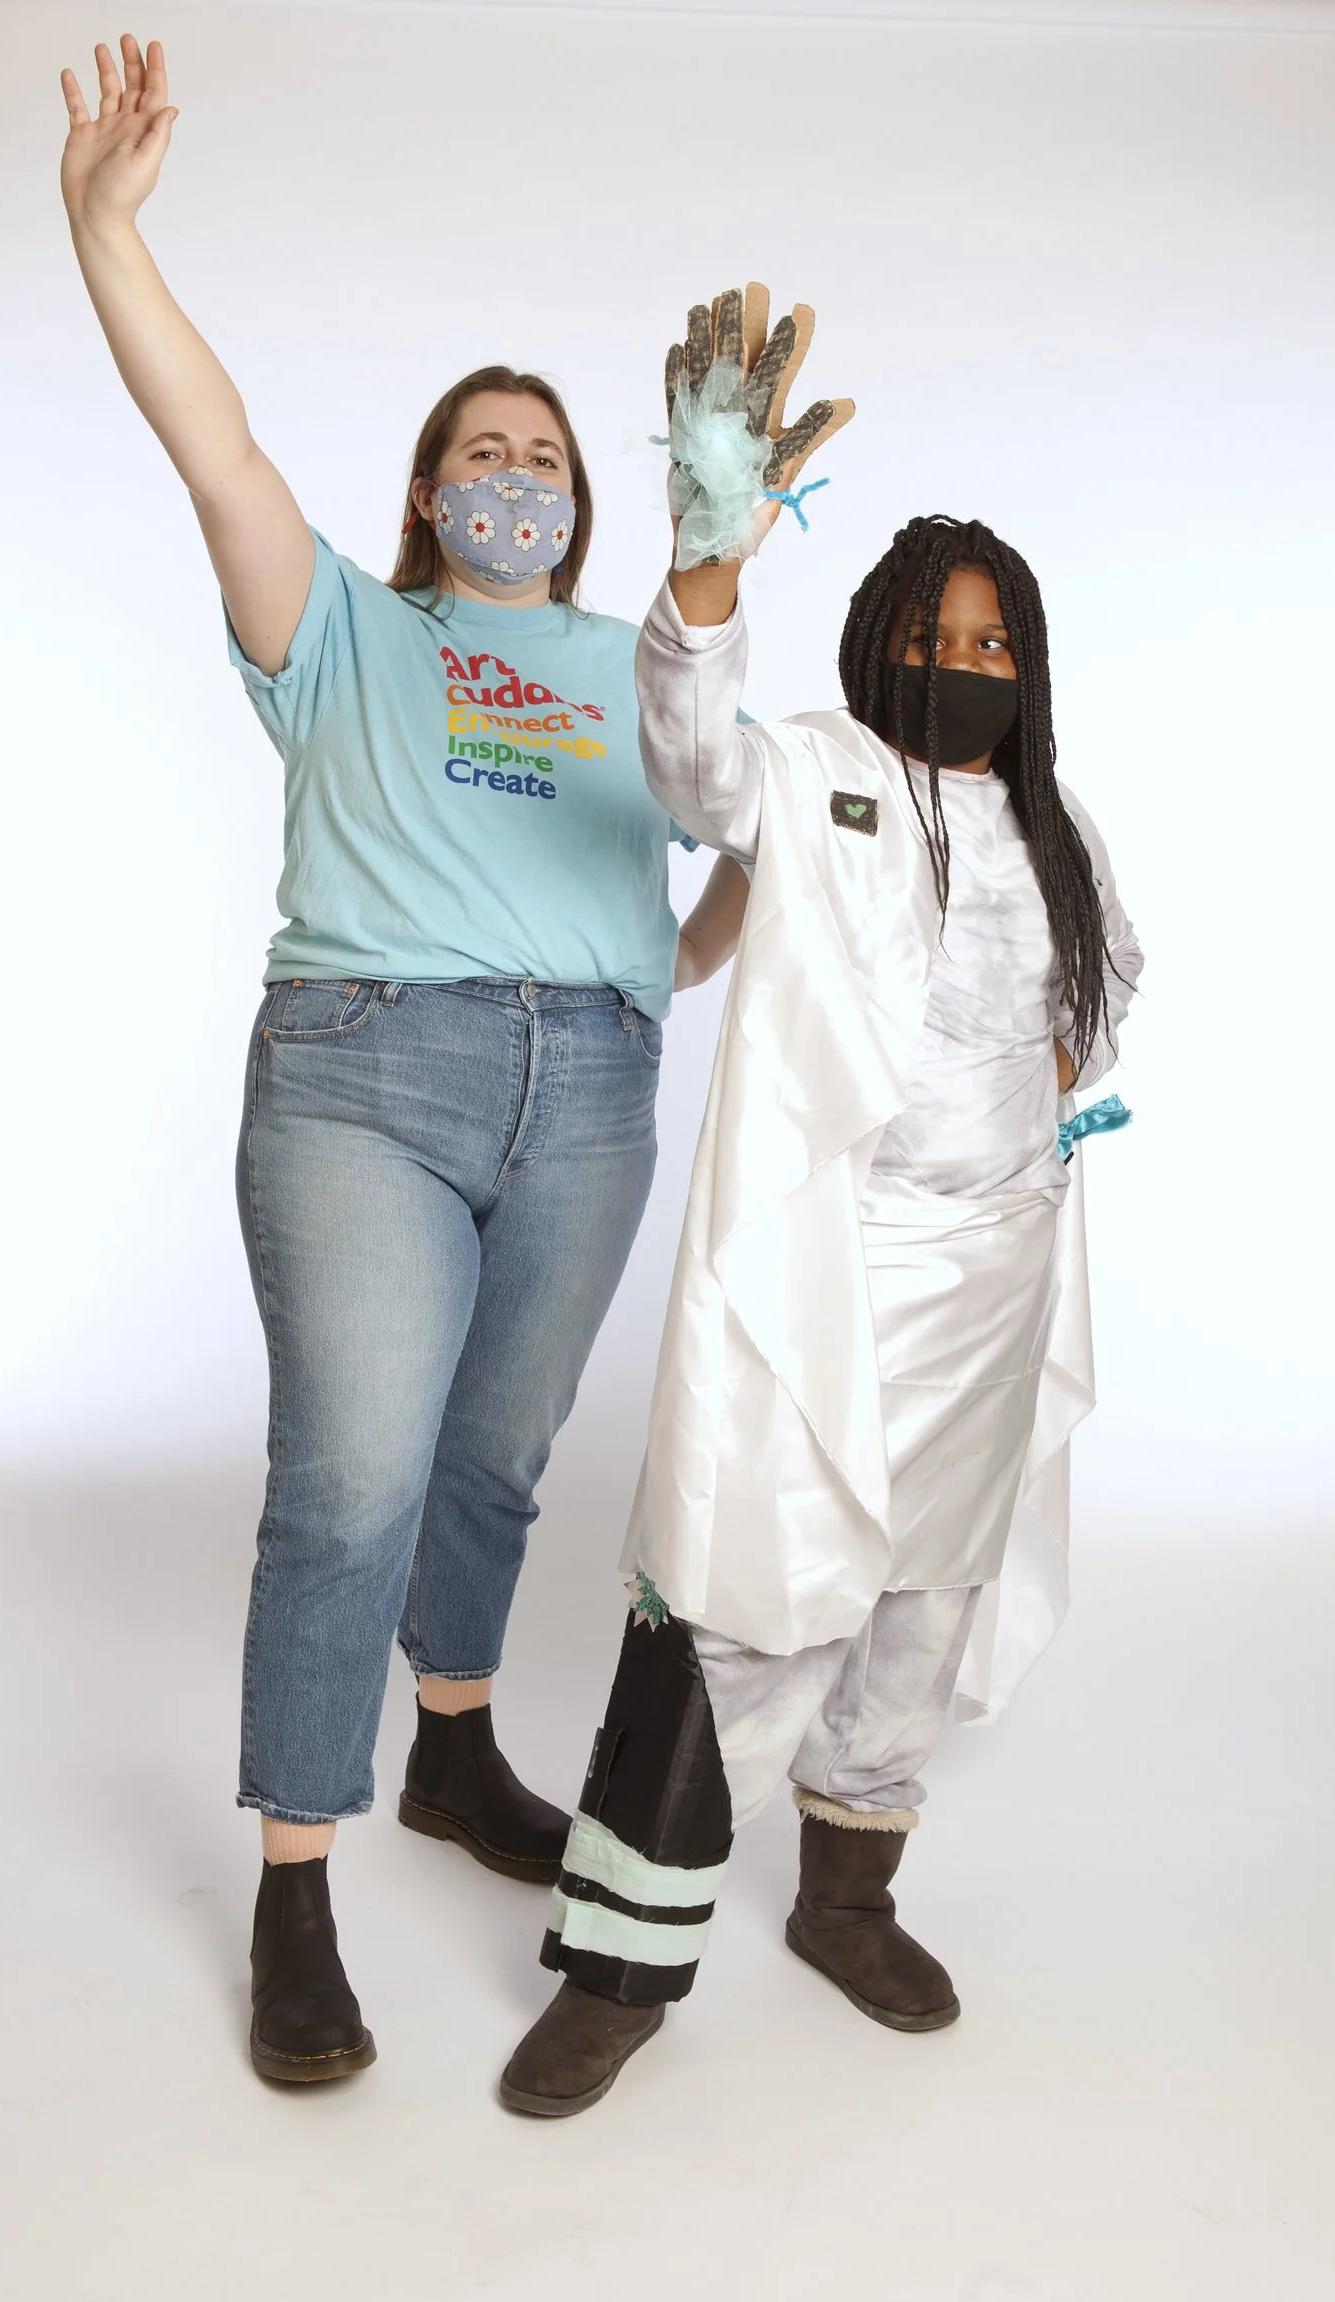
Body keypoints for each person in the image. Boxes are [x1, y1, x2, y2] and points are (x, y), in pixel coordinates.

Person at [57, 40, 760, 2086]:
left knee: (494, 1458)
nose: (516, 475)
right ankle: (297, 1879)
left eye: (545, 454)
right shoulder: (344, 626)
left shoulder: (636, 673)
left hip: (595, 1094)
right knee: (353, 1474)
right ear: (431, 492)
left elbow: (725, 869)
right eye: (482, 451)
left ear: (584, 498)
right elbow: (215, 450)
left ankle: (452, 1748)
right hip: (369, 1077)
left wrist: (682, 961)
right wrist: (105, 234)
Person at [499, 286, 1143, 2117]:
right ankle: (621, 1966)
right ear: (879, 643)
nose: (970, 659)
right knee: (744, 1602)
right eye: (938, 633)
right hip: (827, 1276)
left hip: (996, 1277)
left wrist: (1053, 1105)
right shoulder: (820, 769)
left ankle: (847, 1891)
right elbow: (691, 760)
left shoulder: (1063, 828)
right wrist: (710, 556)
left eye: (997, 638)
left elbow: (1098, 999)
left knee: (927, 1595)